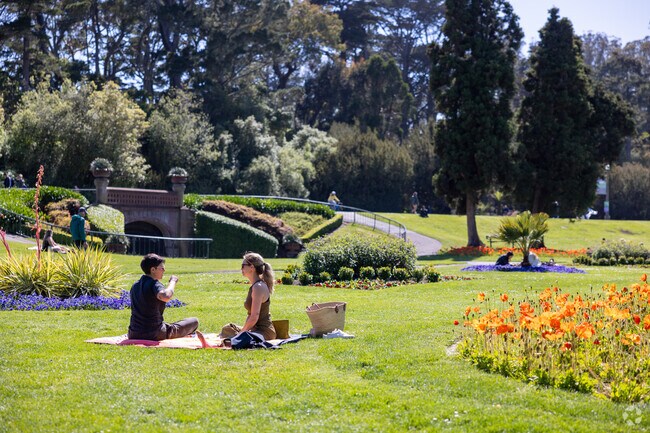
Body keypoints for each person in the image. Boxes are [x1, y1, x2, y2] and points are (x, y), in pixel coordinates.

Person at [128, 253, 199, 340]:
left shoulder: (135, 285)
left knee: (171, 325)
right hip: (154, 333)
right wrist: (173, 281)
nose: (164, 270)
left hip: (133, 333)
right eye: (162, 268)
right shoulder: (154, 284)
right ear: (153, 269)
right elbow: (166, 296)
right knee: (194, 321)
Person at [220, 252, 276, 340]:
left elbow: (254, 316)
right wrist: (244, 330)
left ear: (252, 267)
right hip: (254, 330)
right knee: (227, 328)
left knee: (241, 338)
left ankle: (241, 336)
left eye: (243, 265)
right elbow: (250, 315)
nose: (241, 268)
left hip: (264, 332)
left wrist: (241, 333)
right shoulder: (255, 286)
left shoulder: (258, 287)